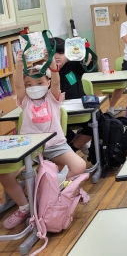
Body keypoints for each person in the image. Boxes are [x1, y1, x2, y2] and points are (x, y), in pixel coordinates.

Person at [0, 52, 86, 229]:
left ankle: (51, 188)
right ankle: (24, 206)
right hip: (30, 149)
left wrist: (52, 65)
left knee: (80, 166)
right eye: (29, 84)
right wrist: (18, 65)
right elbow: (17, 84)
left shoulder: (52, 98)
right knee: (5, 175)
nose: (34, 87)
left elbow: (56, 81)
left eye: (39, 83)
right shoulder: (24, 101)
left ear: (47, 83)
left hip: (56, 145)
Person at [49, 37, 94, 154]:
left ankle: (72, 149)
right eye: (53, 53)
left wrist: (83, 50)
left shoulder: (73, 65)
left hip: (80, 110)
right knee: (53, 128)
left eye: (61, 52)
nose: (57, 56)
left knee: (98, 122)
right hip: (58, 115)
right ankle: (77, 142)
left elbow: (87, 61)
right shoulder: (45, 73)